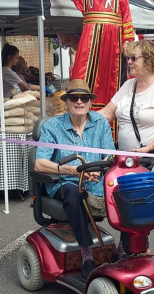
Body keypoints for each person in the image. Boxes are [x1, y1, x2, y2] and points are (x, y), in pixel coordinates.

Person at [100, 40, 154, 255]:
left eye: (134, 58)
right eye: (129, 58)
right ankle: (133, 250)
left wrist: (148, 148)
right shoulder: (129, 85)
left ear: (149, 60)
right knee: (130, 204)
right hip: (128, 163)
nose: (129, 62)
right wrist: (78, 118)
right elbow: (107, 114)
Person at [33, 0, 136, 110]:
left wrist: (127, 41)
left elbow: (126, 17)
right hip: (89, 39)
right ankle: (82, 113)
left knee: (111, 79)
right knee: (82, 74)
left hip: (112, 42)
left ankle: (109, 119)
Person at [34, 80, 115, 278]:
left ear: (90, 103)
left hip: (97, 182)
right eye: (74, 98)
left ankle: (125, 249)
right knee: (74, 191)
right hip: (65, 184)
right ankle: (86, 254)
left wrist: (101, 167)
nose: (79, 101)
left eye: (84, 98)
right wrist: (74, 171)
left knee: (129, 190)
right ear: (67, 102)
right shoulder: (52, 126)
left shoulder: (100, 122)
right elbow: (39, 164)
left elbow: (110, 154)